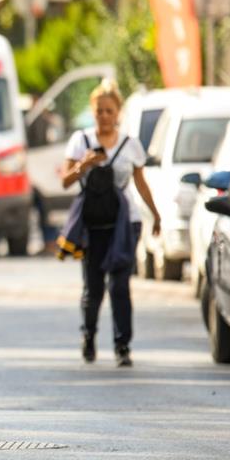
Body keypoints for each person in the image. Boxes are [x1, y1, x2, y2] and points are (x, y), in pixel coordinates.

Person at [57, 81, 161, 367]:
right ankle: (88, 336)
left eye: (109, 111)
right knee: (93, 288)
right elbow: (65, 180)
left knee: (119, 286)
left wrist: (155, 214)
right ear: (93, 112)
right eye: (99, 111)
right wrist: (84, 165)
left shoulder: (131, 145)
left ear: (118, 113)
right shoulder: (80, 141)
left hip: (124, 225)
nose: (104, 116)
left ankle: (122, 345)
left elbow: (140, 183)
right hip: (92, 226)